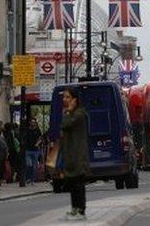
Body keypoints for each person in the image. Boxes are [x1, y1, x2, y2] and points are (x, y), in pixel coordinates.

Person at [59, 87, 90, 221]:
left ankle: (80, 210)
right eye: (64, 97)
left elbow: (65, 125)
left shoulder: (78, 114)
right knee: (72, 183)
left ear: (74, 100)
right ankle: (74, 208)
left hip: (77, 155)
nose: (64, 99)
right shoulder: (72, 113)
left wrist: (69, 111)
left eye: (67, 97)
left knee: (78, 184)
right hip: (71, 154)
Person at [24, 118, 43, 185]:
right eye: (31, 122)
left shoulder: (37, 130)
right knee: (28, 165)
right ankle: (28, 178)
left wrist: (37, 144)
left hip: (35, 150)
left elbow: (40, 138)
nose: (33, 123)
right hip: (28, 150)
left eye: (34, 122)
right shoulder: (27, 130)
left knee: (35, 166)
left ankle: (33, 180)